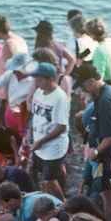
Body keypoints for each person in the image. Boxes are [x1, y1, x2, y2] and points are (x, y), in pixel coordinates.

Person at [76, 64, 111, 221]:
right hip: (110, 155)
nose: (83, 91)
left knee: (108, 195)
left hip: (108, 156)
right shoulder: (108, 90)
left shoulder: (105, 101)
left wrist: (95, 151)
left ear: (91, 82)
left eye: (83, 87)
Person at [27, 62, 70, 200]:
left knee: (48, 180)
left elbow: (61, 127)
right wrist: (30, 134)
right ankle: (54, 194)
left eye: (39, 79)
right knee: (43, 173)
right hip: (39, 143)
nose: (36, 82)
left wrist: (41, 141)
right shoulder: (38, 92)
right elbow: (35, 116)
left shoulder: (60, 97)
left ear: (50, 78)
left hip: (53, 146)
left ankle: (63, 203)